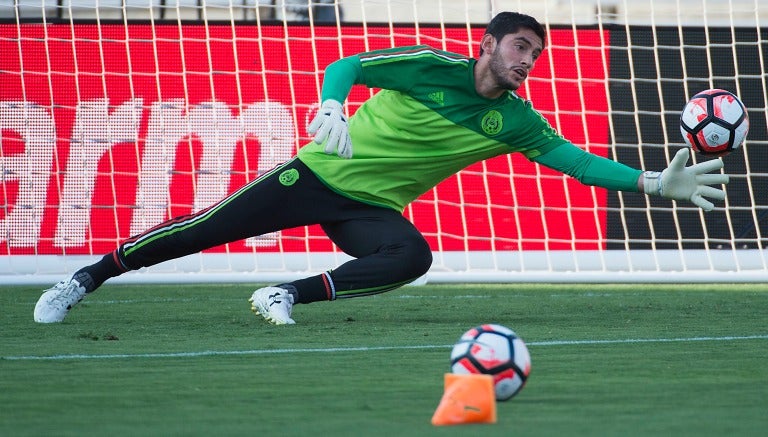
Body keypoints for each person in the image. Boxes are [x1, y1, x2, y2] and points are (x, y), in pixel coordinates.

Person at [34, 11, 728, 325]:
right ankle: (84, 278)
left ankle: (286, 295)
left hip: (368, 210)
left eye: (535, 55)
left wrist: (649, 182)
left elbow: (573, 162)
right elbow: (350, 63)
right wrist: (333, 105)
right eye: (520, 48)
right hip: (315, 173)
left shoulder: (517, 121)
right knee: (202, 230)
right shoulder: (432, 66)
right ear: (487, 46)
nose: (527, 62)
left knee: (411, 254)